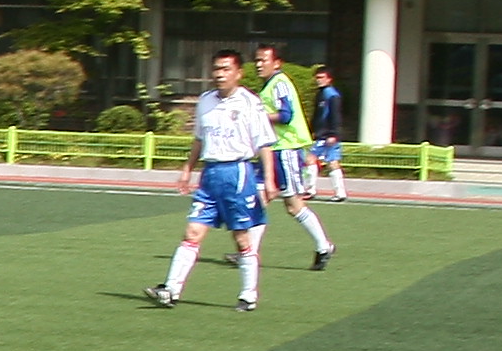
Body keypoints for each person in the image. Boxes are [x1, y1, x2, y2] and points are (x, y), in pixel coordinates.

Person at [146, 51, 281, 310]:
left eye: (226, 69)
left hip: (238, 174)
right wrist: (187, 169)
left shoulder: (250, 103)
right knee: (192, 232)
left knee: (241, 238)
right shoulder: (205, 100)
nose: (220, 74)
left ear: (238, 73)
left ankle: (248, 294)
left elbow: (265, 144)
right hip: (210, 176)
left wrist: (270, 180)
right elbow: (199, 139)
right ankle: (171, 289)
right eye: (217, 69)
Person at [248, 40, 337, 268]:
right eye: (256, 59)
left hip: (285, 150)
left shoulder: (279, 83)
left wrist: (257, 116)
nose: (258, 64)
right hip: (270, 151)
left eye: (263, 60)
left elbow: (285, 115)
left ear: (277, 63)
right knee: (258, 200)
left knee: (293, 205)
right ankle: (249, 253)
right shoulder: (269, 85)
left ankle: (323, 246)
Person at [304, 65, 351, 199]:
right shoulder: (321, 94)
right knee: (318, 160)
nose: (318, 80)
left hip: (328, 135)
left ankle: (315, 190)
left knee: (322, 161)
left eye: (321, 77)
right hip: (322, 134)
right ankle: (332, 192)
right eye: (317, 78)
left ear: (329, 79)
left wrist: (333, 134)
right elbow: (317, 115)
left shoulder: (332, 95)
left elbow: (335, 116)